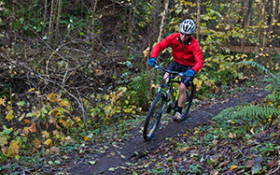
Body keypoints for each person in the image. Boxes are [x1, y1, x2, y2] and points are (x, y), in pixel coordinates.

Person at [147, 19, 203, 121]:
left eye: (186, 35)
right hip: (176, 63)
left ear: (191, 35)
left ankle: (178, 111)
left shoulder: (194, 44)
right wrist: (153, 57)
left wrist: (194, 70)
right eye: (182, 33)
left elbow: (200, 61)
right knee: (165, 77)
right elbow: (159, 46)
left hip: (188, 67)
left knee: (182, 88)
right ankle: (167, 97)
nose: (183, 36)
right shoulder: (174, 37)